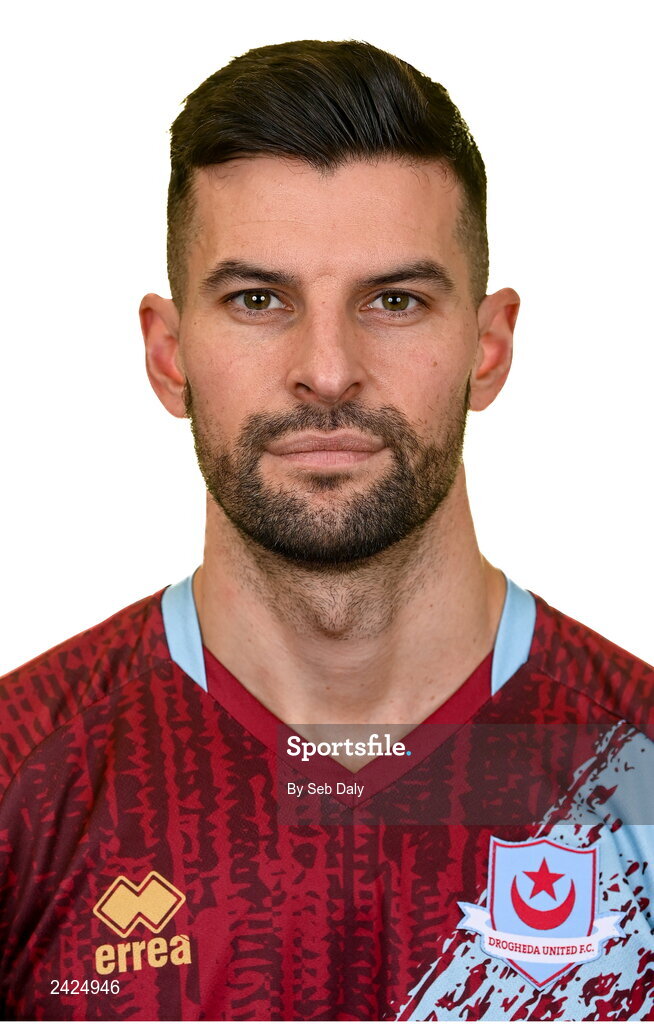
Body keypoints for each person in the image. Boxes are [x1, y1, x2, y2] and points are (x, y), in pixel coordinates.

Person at [0, 38, 652, 1023]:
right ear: (170, 355)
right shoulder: (25, 777)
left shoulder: (638, 770)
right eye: (258, 300)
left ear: (488, 347)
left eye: (394, 301)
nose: (330, 370)